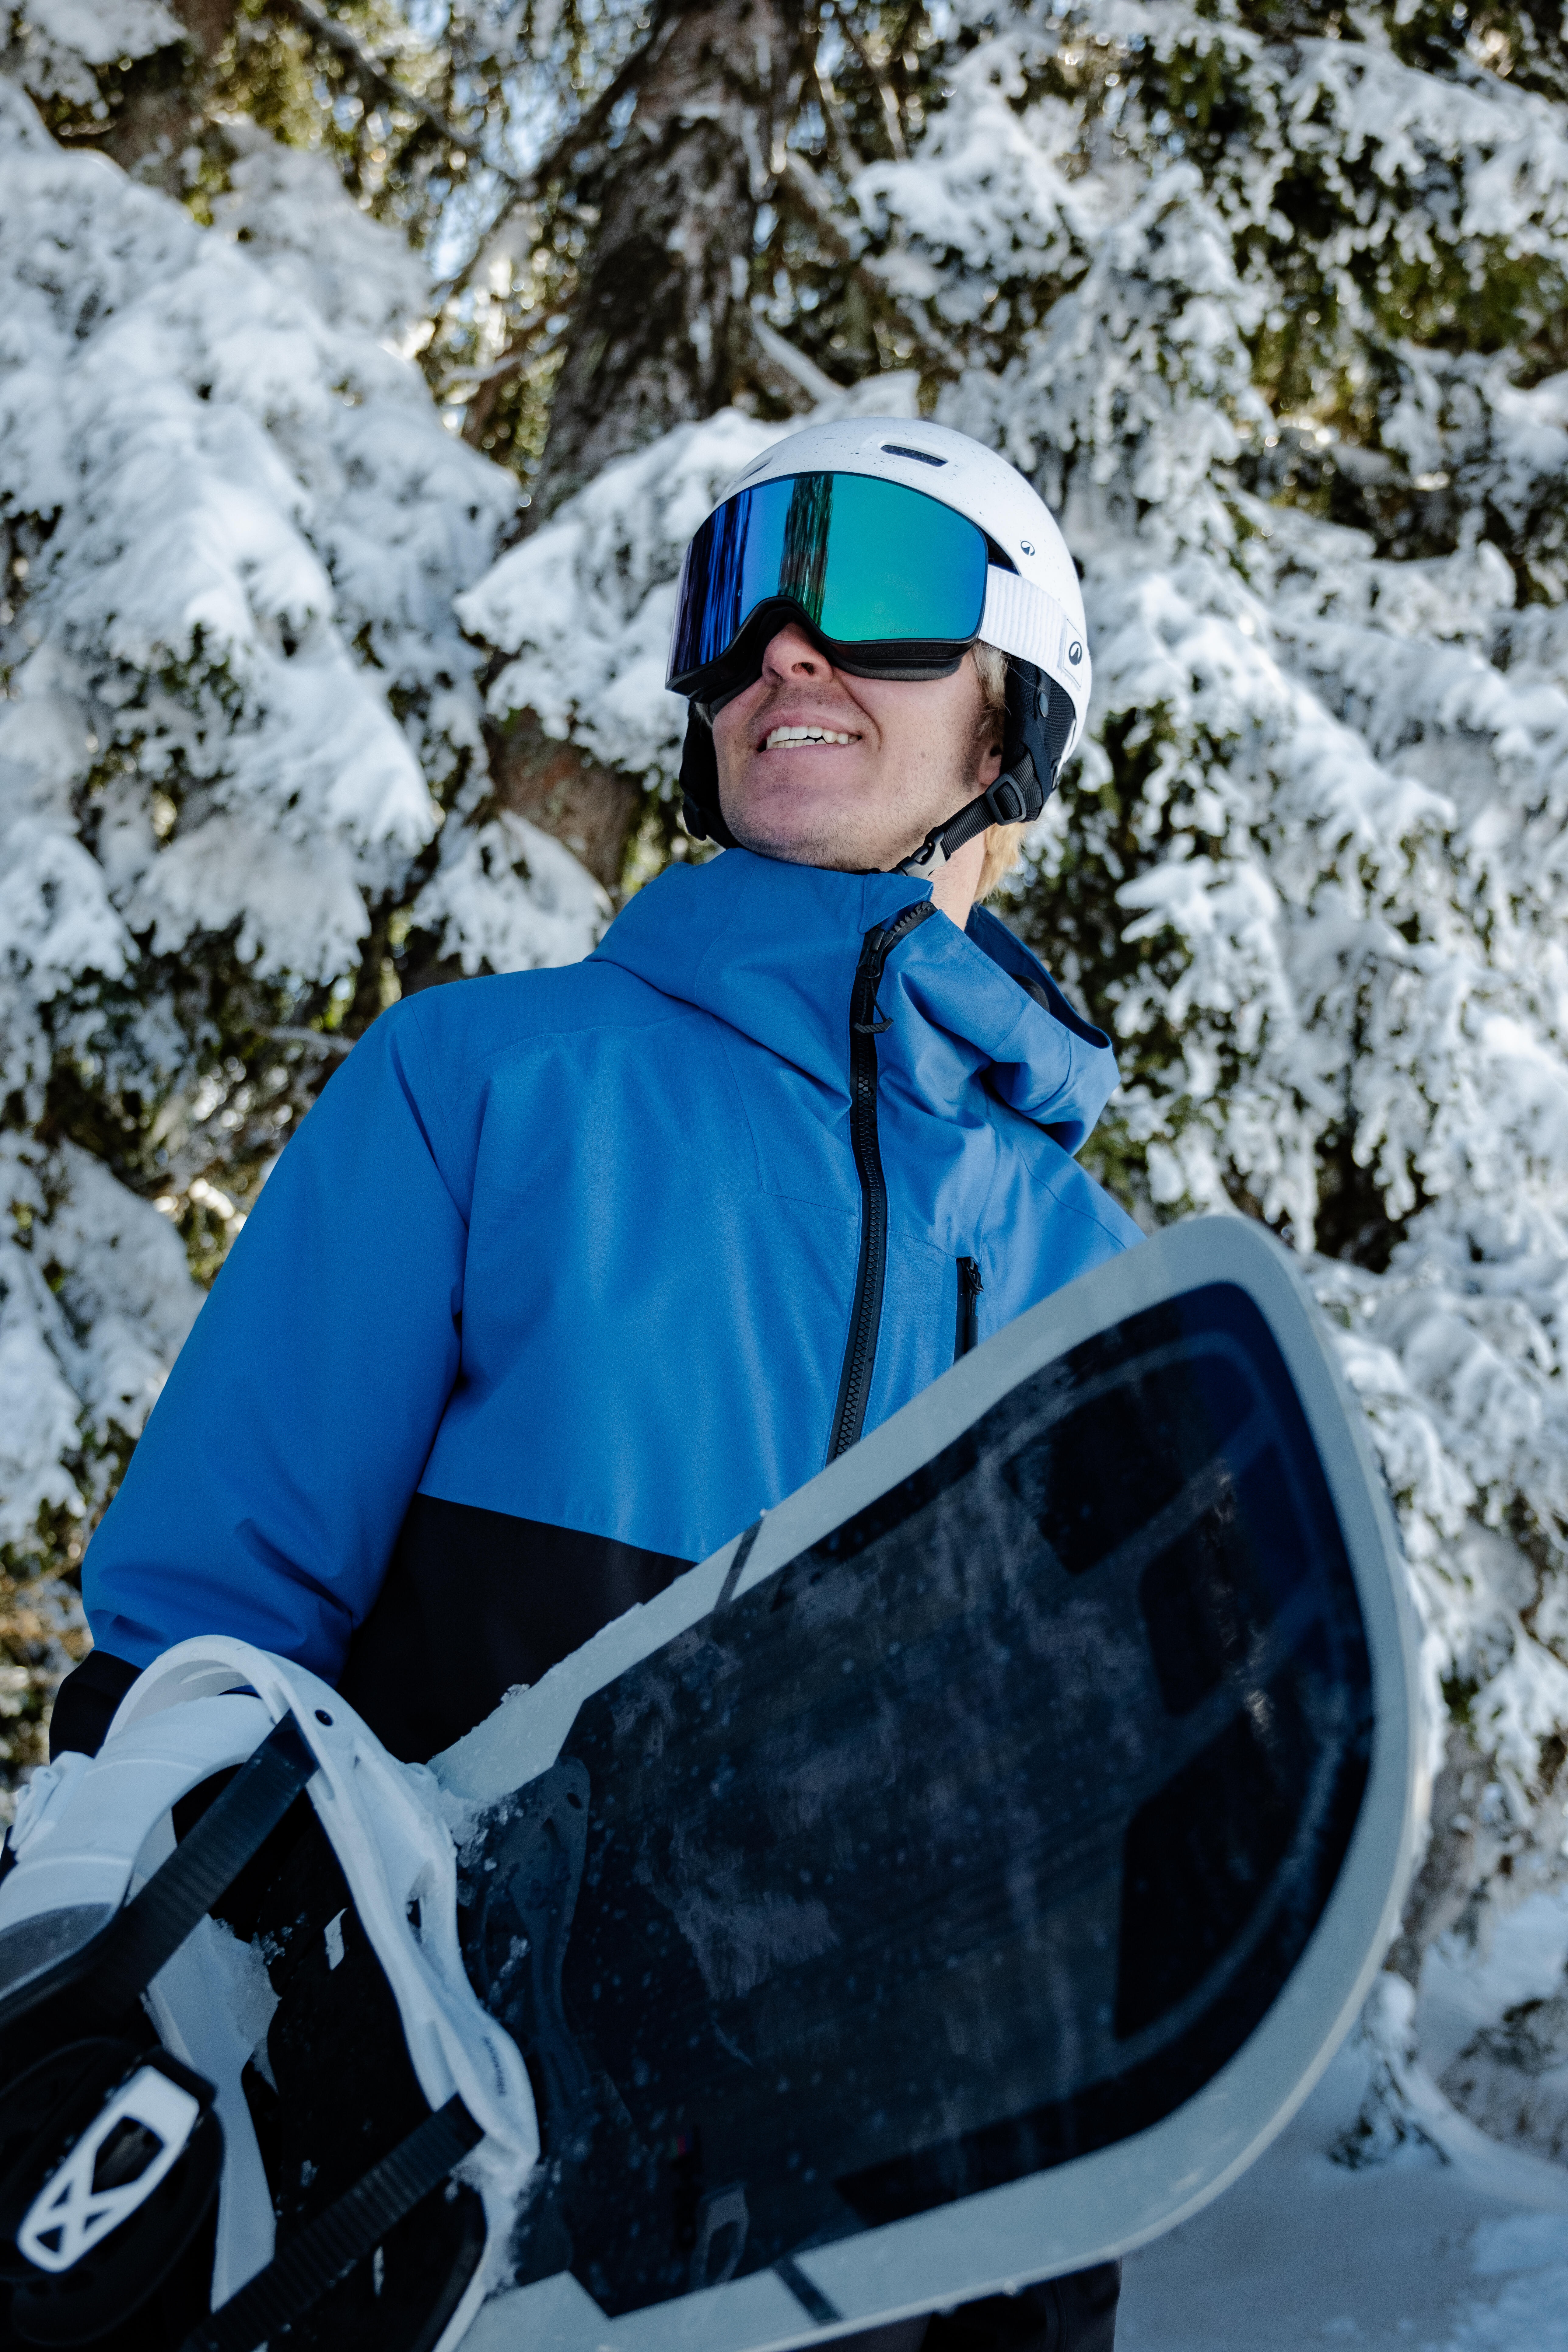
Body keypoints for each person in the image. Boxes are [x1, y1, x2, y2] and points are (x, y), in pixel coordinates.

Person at [50, 418, 1139, 2352]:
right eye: (742, 604)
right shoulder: (486, 1083)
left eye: (876, 592)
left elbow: (1086, 1860)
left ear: (1015, 718)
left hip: (891, 2257)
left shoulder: (1099, 1281)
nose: (786, 652)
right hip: (446, 2217)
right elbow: (193, 1660)